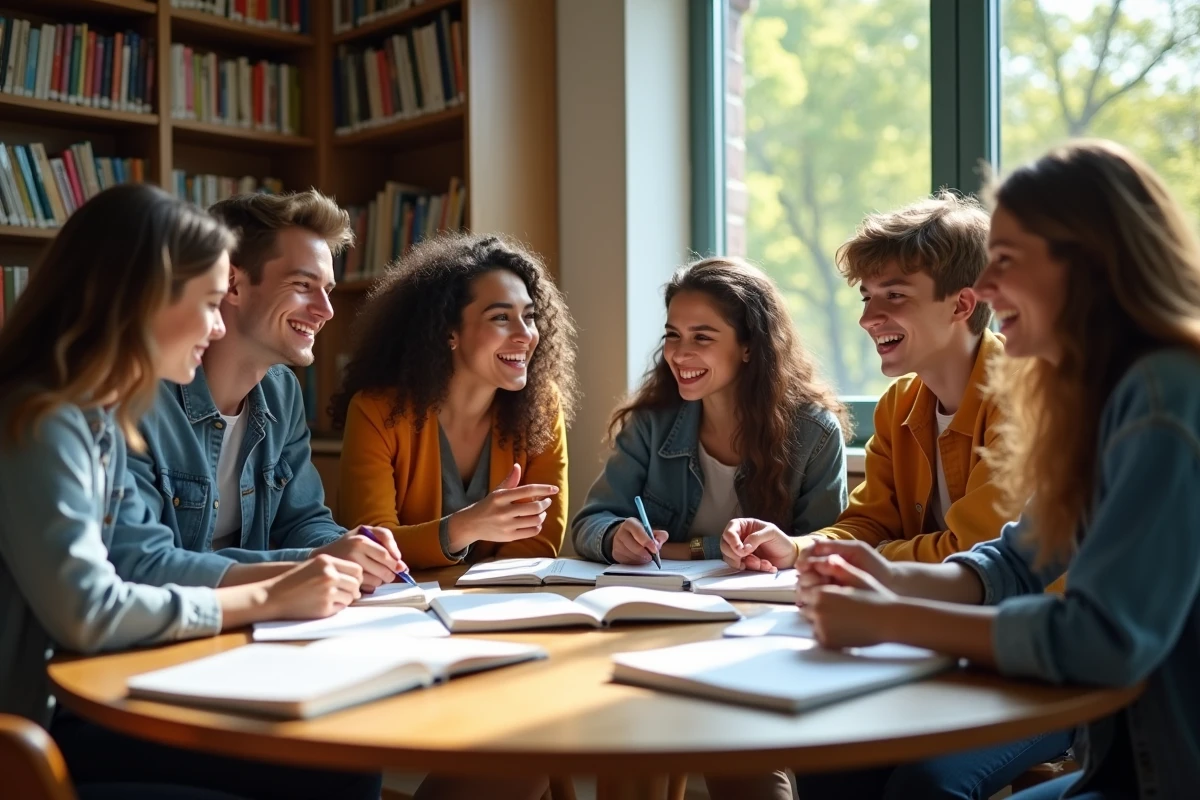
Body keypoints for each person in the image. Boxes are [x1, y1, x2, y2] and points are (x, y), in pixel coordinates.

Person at [797, 139, 1200, 800]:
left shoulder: (1163, 397)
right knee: (836, 769)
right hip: (1124, 764)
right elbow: (1018, 562)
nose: (982, 288)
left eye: (1005, 262)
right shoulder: (1102, 398)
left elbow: (1103, 639)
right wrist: (890, 577)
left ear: (1088, 265)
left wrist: (891, 616)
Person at [0, 184, 382, 800]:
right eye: (207, 302)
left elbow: (300, 521)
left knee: (344, 767)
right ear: (143, 299)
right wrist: (270, 595)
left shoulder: (97, 417)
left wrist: (325, 555)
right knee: (328, 773)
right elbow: (97, 604)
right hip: (40, 732)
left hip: (94, 694)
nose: (214, 325)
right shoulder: (41, 418)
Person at [720, 195, 1070, 798]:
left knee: (922, 786)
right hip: (927, 648)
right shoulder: (899, 405)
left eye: (894, 296)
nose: (868, 316)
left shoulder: (1024, 399)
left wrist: (861, 570)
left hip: (1035, 664)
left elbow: (972, 550)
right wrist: (799, 548)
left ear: (962, 305)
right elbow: (866, 523)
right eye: (866, 297)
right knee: (828, 760)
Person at [570, 256, 848, 800]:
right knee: (625, 733)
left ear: (749, 345)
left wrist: (782, 550)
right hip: (658, 628)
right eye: (673, 335)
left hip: (761, 637)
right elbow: (588, 523)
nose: (680, 353)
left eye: (702, 336)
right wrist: (616, 535)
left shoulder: (814, 433)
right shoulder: (651, 425)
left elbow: (832, 547)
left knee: (743, 754)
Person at [109, 189, 404, 594]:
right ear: (231, 283)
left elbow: (303, 520)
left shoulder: (283, 394)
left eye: (329, 290)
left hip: (255, 624)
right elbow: (142, 565)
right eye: (304, 285)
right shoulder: (140, 398)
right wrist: (314, 563)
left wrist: (348, 548)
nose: (326, 311)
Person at [333, 232, 578, 572]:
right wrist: (466, 526)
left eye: (530, 316)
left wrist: (480, 598)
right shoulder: (376, 411)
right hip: (404, 610)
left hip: (499, 608)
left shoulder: (541, 406)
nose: (525, 334)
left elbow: (539, 541)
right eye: (501, 318)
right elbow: (373, 543)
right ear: (450, 332)